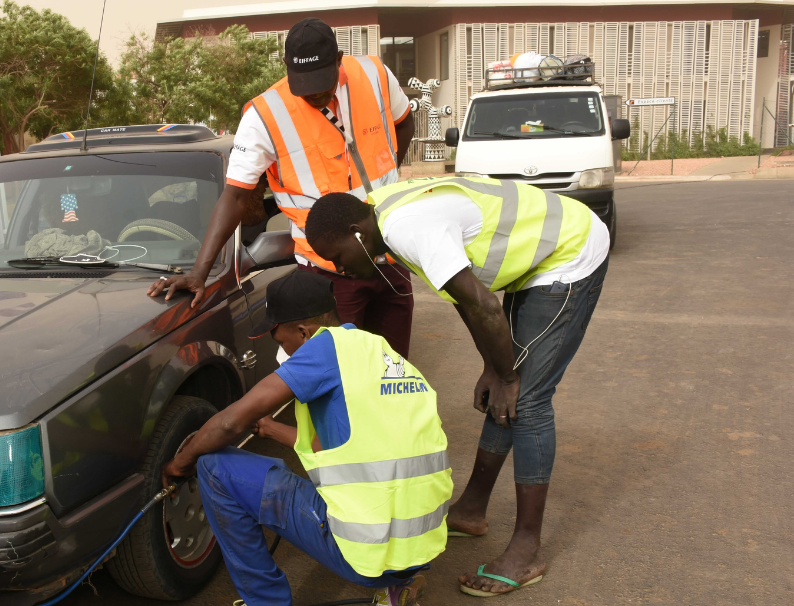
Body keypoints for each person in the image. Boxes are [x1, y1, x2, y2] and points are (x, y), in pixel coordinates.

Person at [302, 177, 609, 598]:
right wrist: (491, 364)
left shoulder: (407, 230)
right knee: (506, 391)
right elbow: (466, 297)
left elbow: (482, 303)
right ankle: (470, 510)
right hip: (535, 261)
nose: (340, 268)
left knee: (529, 398)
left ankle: (526, 549)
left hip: (569, 254)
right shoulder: (379, 217)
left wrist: (505, 375)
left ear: (356, 234)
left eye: (337, 257)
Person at [161, 270, 452, 606]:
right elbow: (349, 448)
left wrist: (180, 463)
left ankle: (265, 602)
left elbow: (229, 424)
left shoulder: (323, 351)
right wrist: (270, 428)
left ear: (303, 332)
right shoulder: (377, 351)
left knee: (214, 466)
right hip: (419, 548)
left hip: (367, 555)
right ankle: (399, 587)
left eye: (279, 339)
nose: (282, 349)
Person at [149, 17, 418, 357]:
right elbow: (235, 195)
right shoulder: (264, 115)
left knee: (393, 371)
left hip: (390, 253)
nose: (315, 96)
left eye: (322, 84)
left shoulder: (374, 74)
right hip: (328, 271)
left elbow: (404, 122)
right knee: (334, 376)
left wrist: (390, 182)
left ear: (339, 60)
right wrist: (200, 272)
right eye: (303, 86)